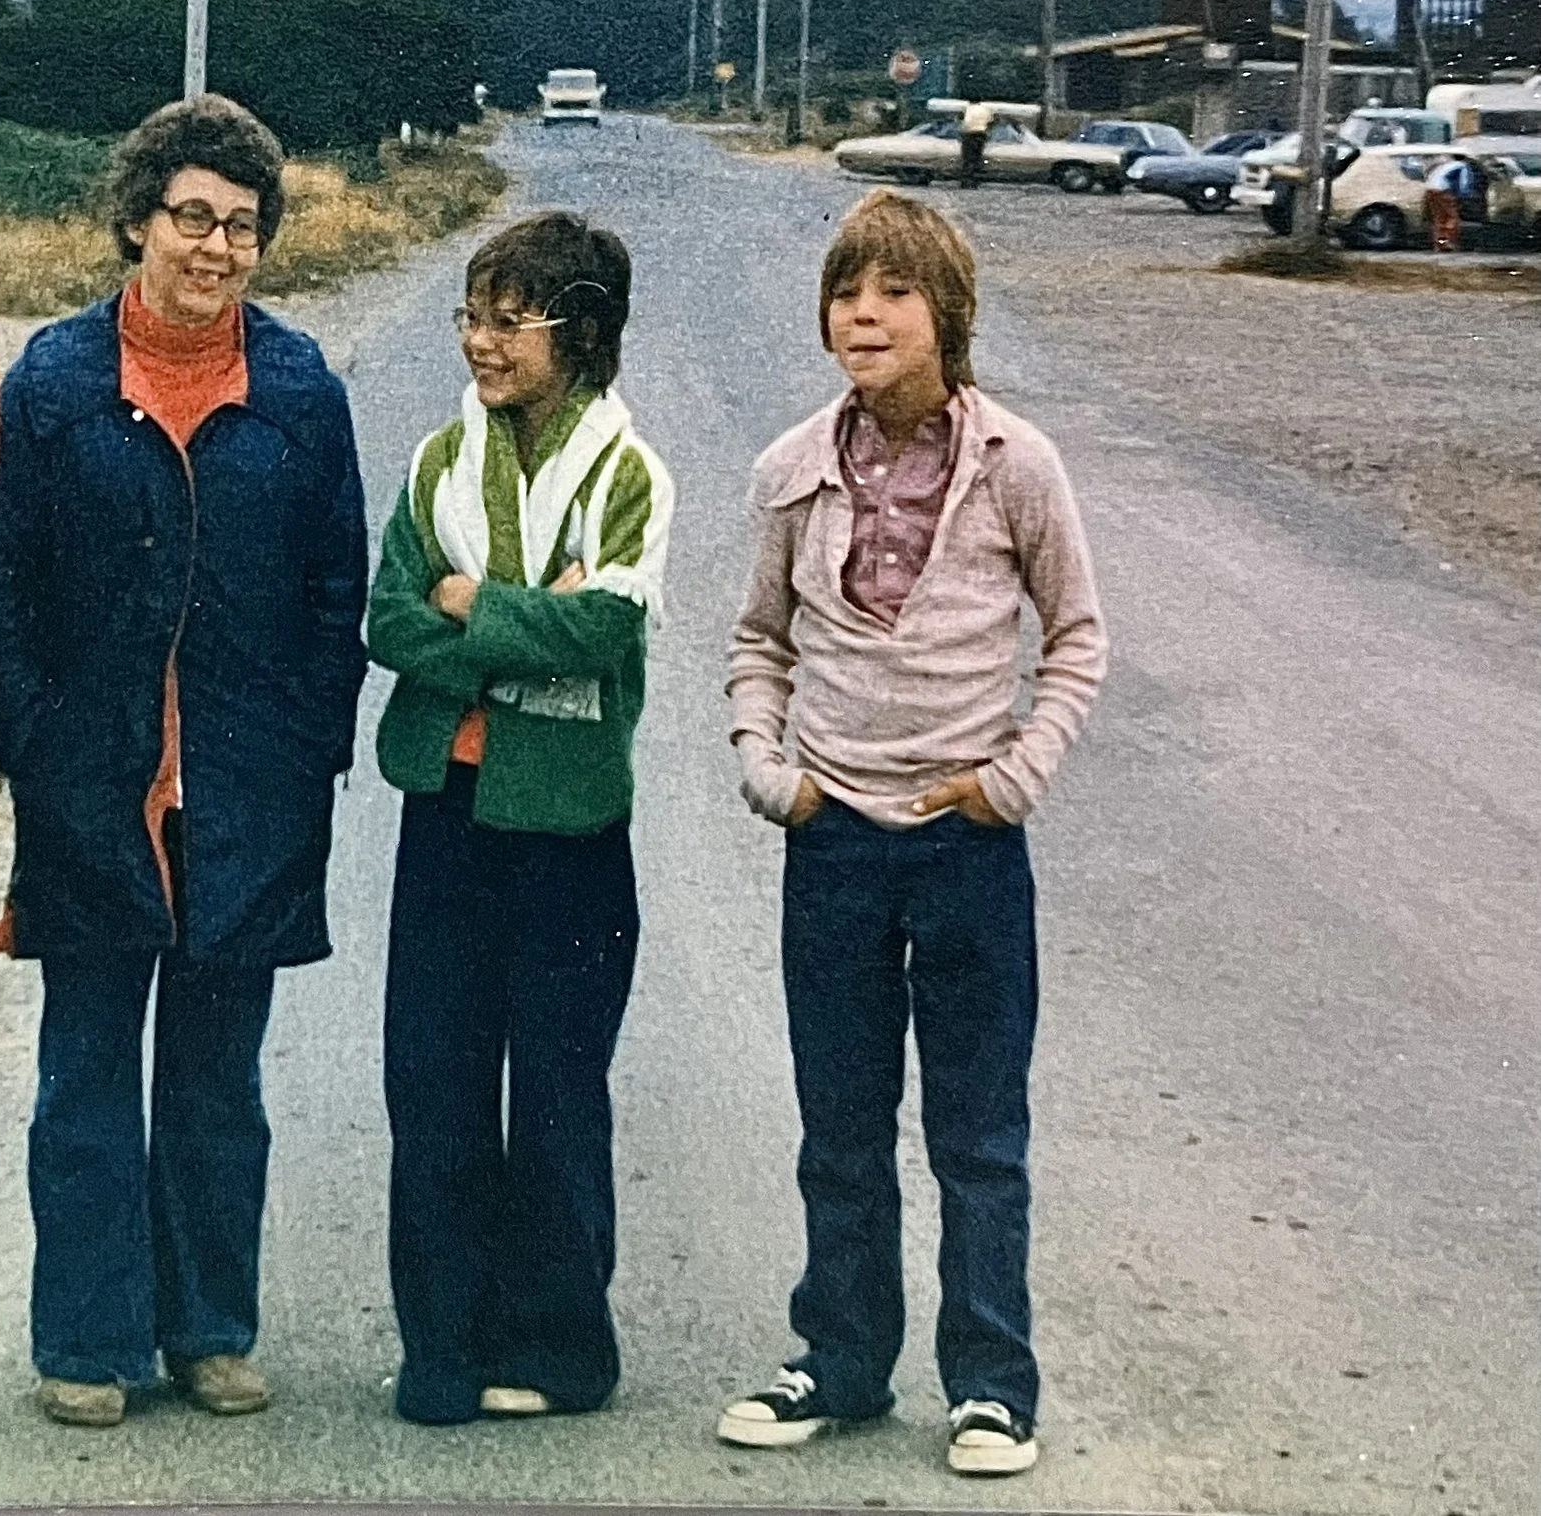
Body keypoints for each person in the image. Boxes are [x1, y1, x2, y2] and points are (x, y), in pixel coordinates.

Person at [0, 94, 370, 1430]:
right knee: (84, 1073)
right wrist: (38, 751)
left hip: (245, 799)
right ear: (136, 220)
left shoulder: (300, 388)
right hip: (96, 793)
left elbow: (332, 595)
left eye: (244, 226)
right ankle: (86, 1340)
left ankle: (208, 1330)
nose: (218, 247)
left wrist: (307, 759)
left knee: (215, 1080)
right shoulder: (58, 383)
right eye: (193, 217)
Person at [719, 188, 1107, 1479]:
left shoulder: (1017, 467)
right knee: (840, 1125)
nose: (863, 315)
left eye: (891, 292)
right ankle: (838, 1361)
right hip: (832, 846)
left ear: (949, 315)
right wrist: (770, 773)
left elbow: (1078, 640)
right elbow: (760, 642)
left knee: (979, 1136)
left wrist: (1015, 777)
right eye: (845, 292)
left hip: (968, 854)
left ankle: (993, 1385)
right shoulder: (791, 471)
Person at [366, 211, 674, 1426]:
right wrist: (508, 619)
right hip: (446, 809)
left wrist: (466, 612)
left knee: (554, 1089)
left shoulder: (627, 475)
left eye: (511, 320)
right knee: (431, 1084)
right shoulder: (439, 462)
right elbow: (389, 616)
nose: (481, 344)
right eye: (472, 318)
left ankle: (559, 1349)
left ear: (582, 333)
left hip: (568, 825)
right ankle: (441, 1348)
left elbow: (606, 629)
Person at [1424, 153, 1477, 251]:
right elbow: (1464, 184)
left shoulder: (1445, 164)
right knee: (1451, 219)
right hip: (1443, 192)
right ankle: (1449, 243)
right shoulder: (1462, 166)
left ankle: (1440, 244)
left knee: (1439, 220)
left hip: (1430, 191)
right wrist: (1465, 197)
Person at [957, 98, 996, 189]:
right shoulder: (986, 109)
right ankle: (974, 182)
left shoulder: (967, 109)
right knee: (977, 158)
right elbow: (992, 121)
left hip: (969, 135)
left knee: (968, 159)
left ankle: (966, 182)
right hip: (981, 135)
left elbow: (960, 119)